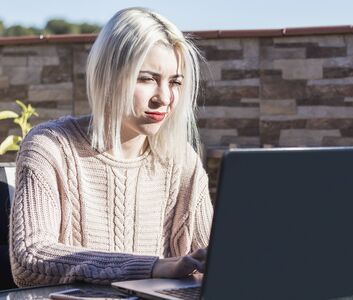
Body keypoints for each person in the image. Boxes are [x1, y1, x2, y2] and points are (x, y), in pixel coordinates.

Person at [9, 7, 213, 287]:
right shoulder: (50, 147)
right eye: (147, 79)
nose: (164, 97)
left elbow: (216, 262)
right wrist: (152, 267)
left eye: (175, 82)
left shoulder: (182, 161)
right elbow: (30, 259)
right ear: (109, 76)